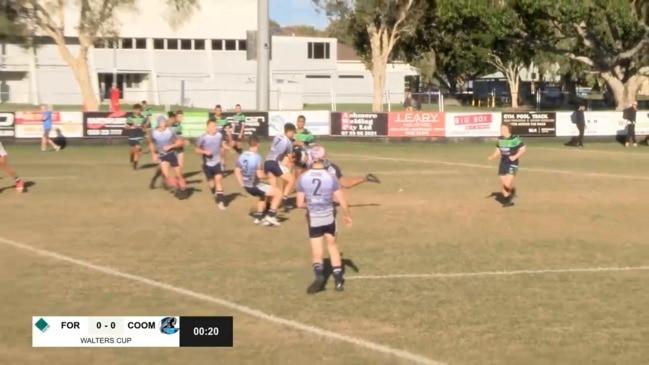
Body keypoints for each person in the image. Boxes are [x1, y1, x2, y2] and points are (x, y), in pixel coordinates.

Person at [297, 146, 352, 294]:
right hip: (329, 217)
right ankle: (339, 282)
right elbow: (341, 198)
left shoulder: (303, 177)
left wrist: (311, 205)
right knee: (333, 247)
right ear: (324, 158)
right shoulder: (331, 177)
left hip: (314, 218)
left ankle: (320, 276)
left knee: (317, 253)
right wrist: (347, 215)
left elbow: (299, 203)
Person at [235, 135, 283, 226]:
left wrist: (242, 184)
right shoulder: (257, 157)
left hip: (247, 186)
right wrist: (268, 176)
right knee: (278, 193)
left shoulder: (242, 155)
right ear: (258, 144)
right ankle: (271, 216)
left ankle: (259, 217)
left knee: (263, 195)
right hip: (254, 186)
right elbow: (259, 175)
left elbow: (237, 171)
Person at [148, 117, 188, 199]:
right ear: (159, 123)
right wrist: (153, 154)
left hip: (172, 154)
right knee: (168, 177)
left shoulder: (170, 131)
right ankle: (178, 188)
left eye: (165, 122)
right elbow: (151, 143)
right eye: (162, 122)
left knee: (179, 175)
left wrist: (171, 146)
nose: (164, 124)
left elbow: (179, 142)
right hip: (162, 156)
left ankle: (183, 189)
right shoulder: (154, 133)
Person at [488, 123, 526, 208]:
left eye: (503, 128)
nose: (501, 130)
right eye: (501, 128)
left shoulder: (515, 139)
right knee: (503, 183)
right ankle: (510, 196)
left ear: (508, 129)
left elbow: (523, 149)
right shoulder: (500, 139)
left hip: (512, 163)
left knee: (506, 183)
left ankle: (506, 202)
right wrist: (493, 156)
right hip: (503, 163)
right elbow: (498, 150)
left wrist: (515, 157)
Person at [195, 120, 229, 210]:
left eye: (216, 126)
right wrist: (204, 151)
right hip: (207, 164)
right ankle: (215, 192)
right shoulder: (203, 138)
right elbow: (196, 150)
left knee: (218, 179)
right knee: (211, 184)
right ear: (208, 127)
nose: (215, 128)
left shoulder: (219, 135)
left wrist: (227, 147)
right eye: (213, 126)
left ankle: (221, 201)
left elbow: (222, 144)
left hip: (217, 162)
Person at [265, 123, 297, 212]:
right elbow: (290, 158)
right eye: (293, 132)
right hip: (275, 163)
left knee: (273, 188)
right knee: (291, 180)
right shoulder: (289, 143)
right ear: (289, 131)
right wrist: (296, 157)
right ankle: (284, 200)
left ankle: (267, 206)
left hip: (267, 162)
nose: (293, 134)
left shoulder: (277, 137)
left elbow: (272, 148)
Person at [124, 103, 147, 170]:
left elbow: (144, 127)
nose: (137, 111)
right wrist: (132, 127)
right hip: (132, 136)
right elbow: (126, 127)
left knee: (138, 149)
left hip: (139, 136)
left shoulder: (143, 118)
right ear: (133, 110)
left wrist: (145, 131)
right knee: (132, 150)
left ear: (140, 110)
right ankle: (131, 157)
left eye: (139, 110)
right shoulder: (130, 118)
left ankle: (135, 164)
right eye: (136, 110)